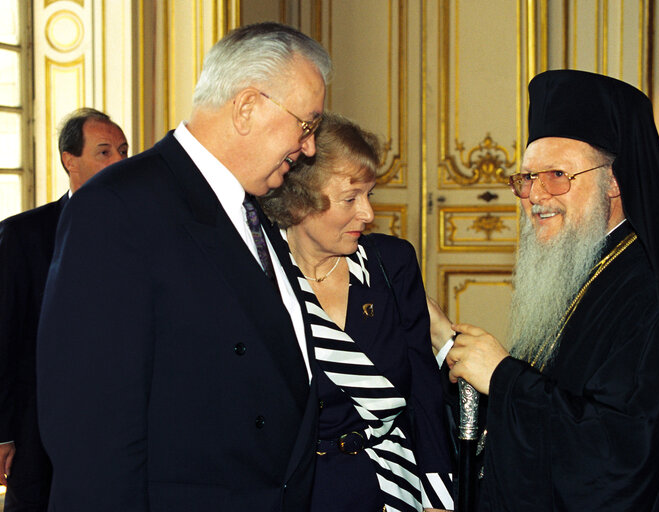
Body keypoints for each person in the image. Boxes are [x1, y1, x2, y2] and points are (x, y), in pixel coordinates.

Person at [35, 23, 331, 511]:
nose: (310, 147)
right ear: (247, 107)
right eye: (306, 124)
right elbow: (91, 435)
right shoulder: (117, 209)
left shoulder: (251, 206)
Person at [429, 70, 659, 511]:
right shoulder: (579, 264)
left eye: (557, 175)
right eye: (527, 178)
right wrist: (447, 345)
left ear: (615, 181)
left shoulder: (648, 295)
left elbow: (621, 457)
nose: (534, 195)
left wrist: (503, 377)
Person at [260, 113, 454, 512]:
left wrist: (439, 497)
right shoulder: (260, 274)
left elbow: (424, 393)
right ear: (299, 199)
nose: (367, 213)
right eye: (351, 198)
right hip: (298, 494)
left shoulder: (391, 263)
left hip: (389, 486)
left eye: (370, 194)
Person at [0, 107, 127, 512]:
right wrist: (2, 432)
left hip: (119, 431)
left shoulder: (141, 235)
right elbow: (3, 337)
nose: (120, 161)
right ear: (69, 160)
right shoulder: (23, 234)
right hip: (37, 431)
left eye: (124, 151)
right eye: (105, 152)